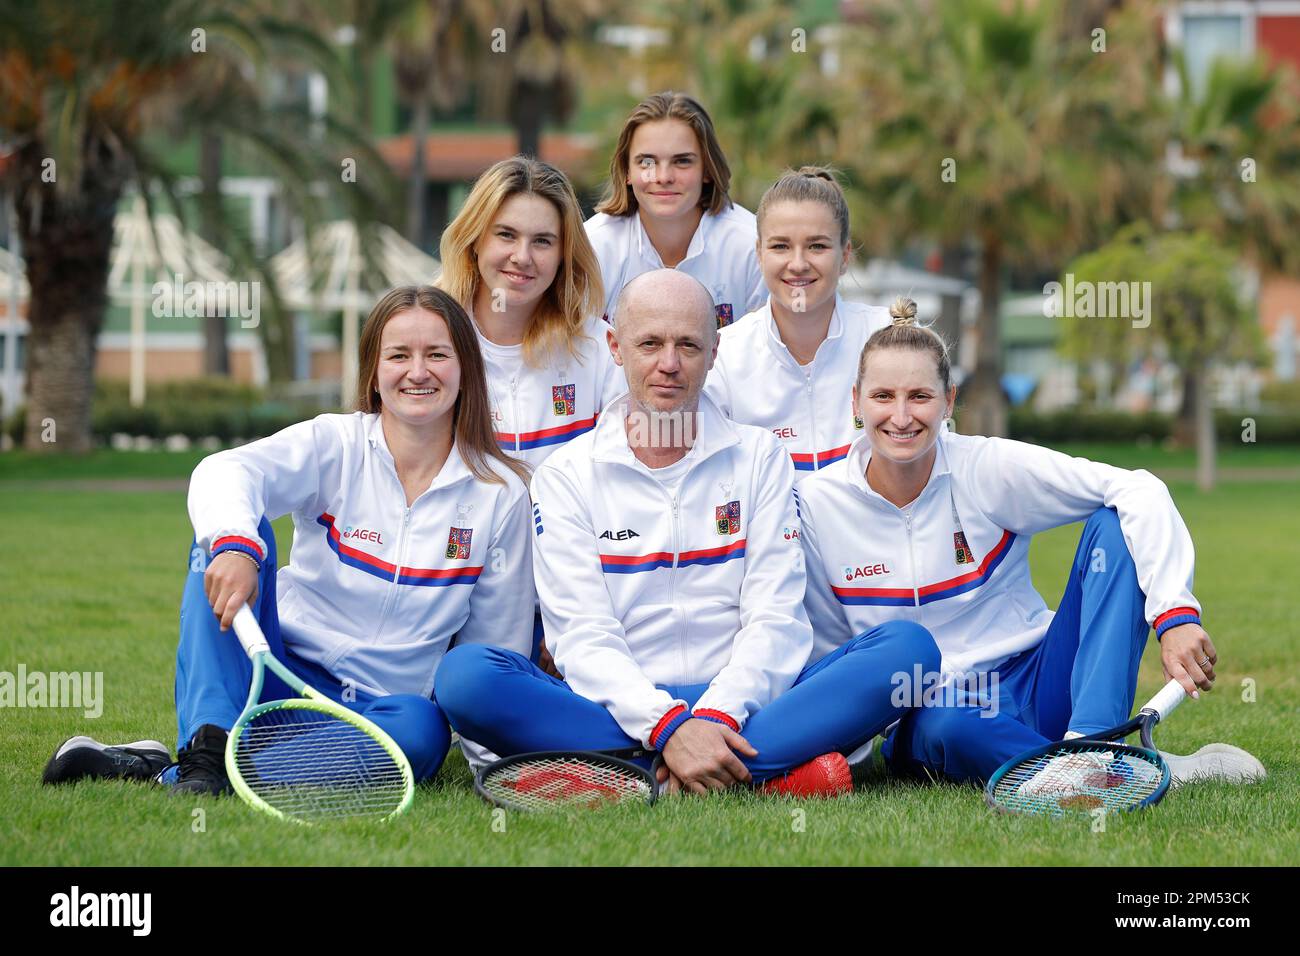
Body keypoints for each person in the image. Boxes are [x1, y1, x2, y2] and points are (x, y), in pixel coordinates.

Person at [433, 269, 941, 797]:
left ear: (715, 352)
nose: (669, 364)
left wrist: (716, 714)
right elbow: (582, 636)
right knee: (467, 678)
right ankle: (762, 773)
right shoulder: (566, 474)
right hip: (621, 708)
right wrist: (667, 725)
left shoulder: (759, 456)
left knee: (908, 651)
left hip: (743, 704)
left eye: (688, 345)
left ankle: (630, 775)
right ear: (615, 346)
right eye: (650, 343)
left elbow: (776, 619)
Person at [43, 287, 535, 793]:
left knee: (421, 731)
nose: (418, 371)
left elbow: (494, 645)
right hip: (270, 669)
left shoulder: (501, 493)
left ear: (466, 368)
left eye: (437, 354)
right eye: (399, 355)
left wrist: (491, 765)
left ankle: (188, 773)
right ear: (373, 369)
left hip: (373, 713)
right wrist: (236, 546)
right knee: (233, 533)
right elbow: (224, 469)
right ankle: (208, 746)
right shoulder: (334, 444)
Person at [795, 298, 1267, 786]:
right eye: (882, 396)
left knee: (1113, 524)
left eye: (919, 396)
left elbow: (1138, 487)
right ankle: (1118, 770)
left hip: (1038, 679)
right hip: (931, 713)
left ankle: (1092, 745)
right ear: (855, 402)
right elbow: (832, 651)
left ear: (949, 401)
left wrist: (1176, 616)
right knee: (949, 723)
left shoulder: (988, 467)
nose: (900, 416)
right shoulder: (817, 502)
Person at [437, 156, 624, 672]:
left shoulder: (595, 345)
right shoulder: (432, 337)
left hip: (571, 587)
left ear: (565, 253)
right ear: (475, 238)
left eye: (543, 241)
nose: (523, 257)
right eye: (506, 235)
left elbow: (623, 485)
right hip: (444, 583)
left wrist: (571, 613)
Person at [706, 167, 889, 481]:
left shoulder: (889, 336)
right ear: (759, 255)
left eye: (817, 246)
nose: (799, 264)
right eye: (780, 246)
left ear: (845, 256)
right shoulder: (721, 357)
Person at [585, 91, 765, 329]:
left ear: (708, 170)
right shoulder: (592, 247)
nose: (664, 177)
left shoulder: (752, 246)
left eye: (682, 161)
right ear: (627, 171)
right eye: (647, 162)